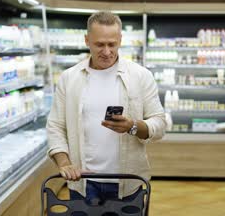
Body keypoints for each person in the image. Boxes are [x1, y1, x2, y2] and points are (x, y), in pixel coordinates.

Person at [46, 11, 166, 205]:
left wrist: (133, 126)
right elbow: (55, 126)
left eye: (112, 44)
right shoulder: (69, 78)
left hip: (128, 182)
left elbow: (160, 124)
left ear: (120, 39)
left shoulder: (140, 76)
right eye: (99, 44)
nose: (107, 51)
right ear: (87, 40)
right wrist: (64, 163)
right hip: (83, 182)